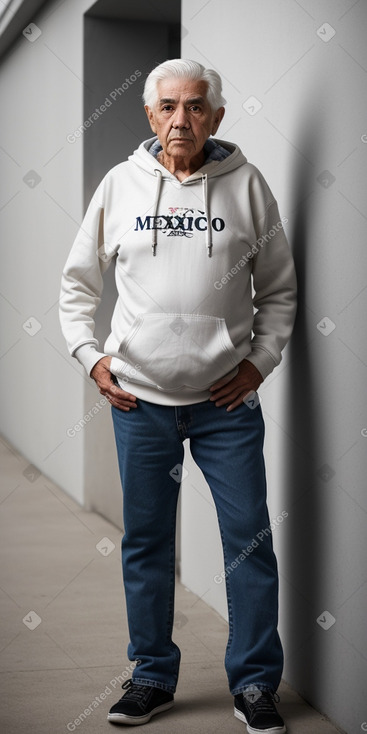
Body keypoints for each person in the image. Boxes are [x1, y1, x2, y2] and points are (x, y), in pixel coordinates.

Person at [59, 58, 297, 733]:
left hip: (226, 406)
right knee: (146, 543)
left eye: (195, 107)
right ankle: (152, 676)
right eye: (167, 107)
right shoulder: (118, 186)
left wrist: (259, 363)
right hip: (139, 401)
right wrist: (91, 355)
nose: (180, 120)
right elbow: (77, 285)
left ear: (216, 116)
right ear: (148, 114)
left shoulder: (248, 188)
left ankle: (253, 684)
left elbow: (277, 291)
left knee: (248, 541)